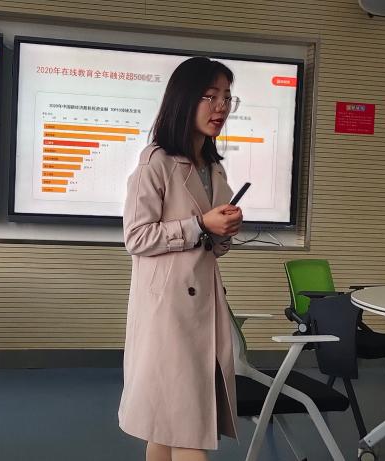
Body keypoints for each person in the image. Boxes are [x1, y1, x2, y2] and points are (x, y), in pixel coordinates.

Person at [119, 56, 243, 461]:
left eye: (227, 97)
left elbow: (214, 247)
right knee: (185, 425)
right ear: (184, 99)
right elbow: (136, 237)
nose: (221, 107)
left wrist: (224, 231)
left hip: (203, 308)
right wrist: (200, 224)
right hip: (168, 312)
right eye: (210, 96)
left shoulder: (214, 168)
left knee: (167, 424)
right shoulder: (155, 161)